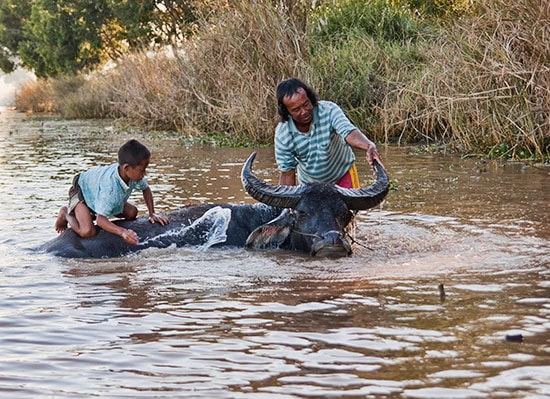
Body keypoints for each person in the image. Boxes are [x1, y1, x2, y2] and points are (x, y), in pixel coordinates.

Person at [274, 77, 385, 188]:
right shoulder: (283, 134)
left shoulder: (328, 110)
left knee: (352, 205)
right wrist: (285, 204)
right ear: (286, 112)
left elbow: (349, 132)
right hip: (310, 185)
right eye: (296, 110)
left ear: (311, 99)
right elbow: (287, 173)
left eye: (306, 104)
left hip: (343, 174)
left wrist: (369, 145)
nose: (304, 112)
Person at [54, 139, 169, 245]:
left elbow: (146, 189)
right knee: (87, 231)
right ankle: (65, 214)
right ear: (126, 168)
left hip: (97, 194)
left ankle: (92, 212)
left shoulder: (133, 175)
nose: (145, 174)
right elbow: (100, 220)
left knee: (132, 212)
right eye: (142, 170)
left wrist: (152, 213)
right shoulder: (110, 190)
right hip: (82, 191)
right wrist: (122, 232)